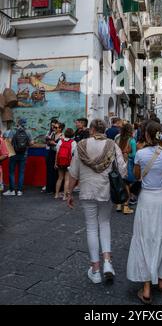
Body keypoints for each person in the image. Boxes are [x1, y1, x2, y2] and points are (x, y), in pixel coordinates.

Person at [67, 119, 126, 284]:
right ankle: (107, 262)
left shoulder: (81, 146)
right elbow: (122, 170)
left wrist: (69, 192)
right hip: (106, 191)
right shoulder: (112, 145)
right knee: (105, 224)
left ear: (92, 129)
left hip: (87, 191)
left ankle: (95, 269)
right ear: (104, 130)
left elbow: (73, 172)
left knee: (91, 228)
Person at [127, 121, 162, 304]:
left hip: (147, 200)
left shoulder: (140, 154)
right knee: (161, 238)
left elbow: (136, 176)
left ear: (147, 135)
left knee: (145, 239)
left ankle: (147, 287)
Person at [3, 118, 34, 196]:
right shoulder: (28, 132)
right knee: (21, 173)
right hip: (24, 154)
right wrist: (25, 145)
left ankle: (12, 190)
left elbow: (9, 142)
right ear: (25, 123)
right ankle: (20, 191)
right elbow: (32, 143)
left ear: (18, 123)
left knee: (11, 172)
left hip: (13, 154)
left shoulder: (13, 131)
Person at [115, 123, 136, 214]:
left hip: (117, 163)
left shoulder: (117, 139)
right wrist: (127, 154)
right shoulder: (132, 140)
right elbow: (134, 154)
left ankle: (119, 204)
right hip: (128, 163)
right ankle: (126, 205)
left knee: (120, 183)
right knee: (127, 183)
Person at [55, 128, 76, 200]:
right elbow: (74, 154)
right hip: (68, 163)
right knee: (67, 180)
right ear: (72, 134)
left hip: (60, 162)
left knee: (60, 178)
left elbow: (57, 153)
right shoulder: (73, 142)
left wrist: (56, 163)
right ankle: (64, 196)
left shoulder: (60, 141)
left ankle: (56, 194)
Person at [45, 122, 64, 195]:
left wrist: (55, 143)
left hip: (57, 155)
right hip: (51, 154)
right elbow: (47, 142)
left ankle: (58, 190)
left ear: (60, 129)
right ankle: (50, 189)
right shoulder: (52, 134)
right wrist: (49, 142)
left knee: (57, 172)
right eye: (53, 127)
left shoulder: (62, 136)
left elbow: (62, 146)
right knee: (50, 171)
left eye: (56, 127)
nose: (54, 128)